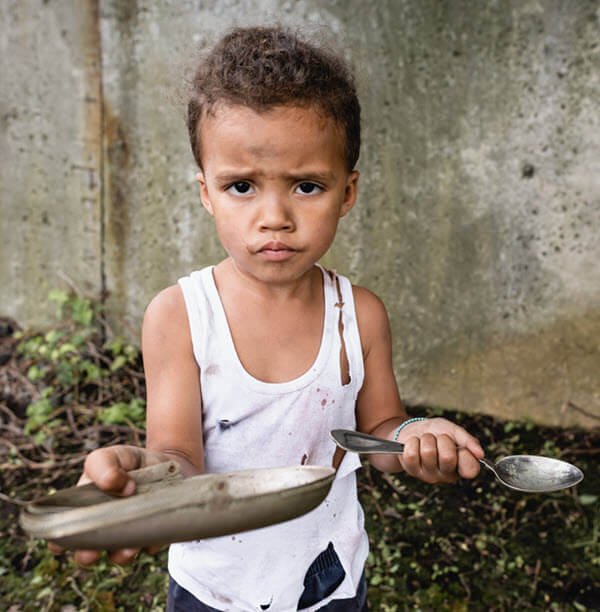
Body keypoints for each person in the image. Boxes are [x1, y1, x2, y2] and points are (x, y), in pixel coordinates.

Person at [58, 26, 484, 611]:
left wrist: (416, 440)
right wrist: (144, 476)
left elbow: (380, 432)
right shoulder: (180, 317)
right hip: (216, 587)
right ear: (206, 192)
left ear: (348, 191)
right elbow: (180, 457)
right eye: (241, 187)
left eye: (307, 186)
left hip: (328, 578)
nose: (274, 217)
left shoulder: (358, 315)